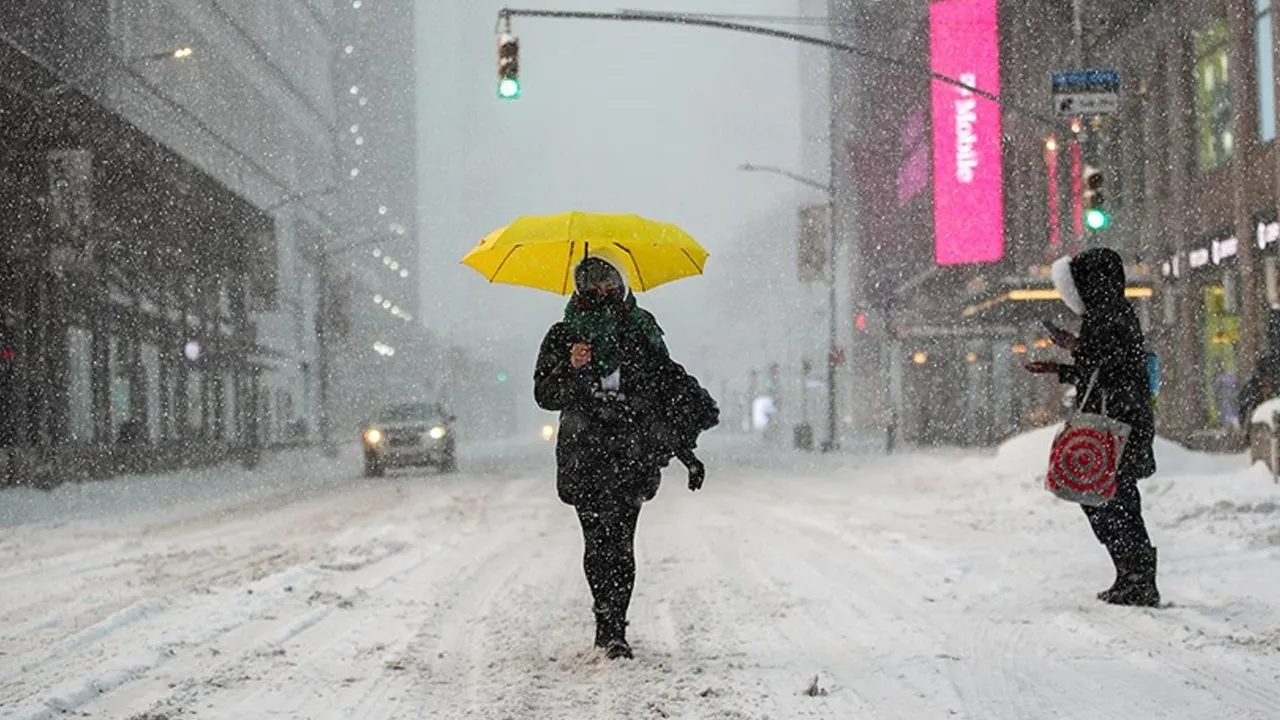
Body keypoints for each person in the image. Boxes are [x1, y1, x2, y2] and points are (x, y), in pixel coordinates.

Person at [534, 255, 718, 659]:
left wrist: (684, 448)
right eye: (593, 283)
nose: (603, 290)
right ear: (580, 288)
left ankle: (616, 628)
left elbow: (664, 390)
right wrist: (571, 366)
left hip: (630, 454)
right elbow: (545, 395)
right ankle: (604, 620)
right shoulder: (563, 336)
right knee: (596, 542)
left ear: (621, 283)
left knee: (621, 542)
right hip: (585, 455)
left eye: (609, 282)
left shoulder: (641, 331)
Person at [1025, 248, 1160, 607]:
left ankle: (1138, 577)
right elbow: (1107, 363)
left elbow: (1108, 370)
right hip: (1121, 422)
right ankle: (1132, 574)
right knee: (1110, 498)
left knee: (1110, 500)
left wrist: (1064, 366)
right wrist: (1074, 351)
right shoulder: (1112, 313)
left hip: (1116, 426)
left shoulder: (1108, 316)